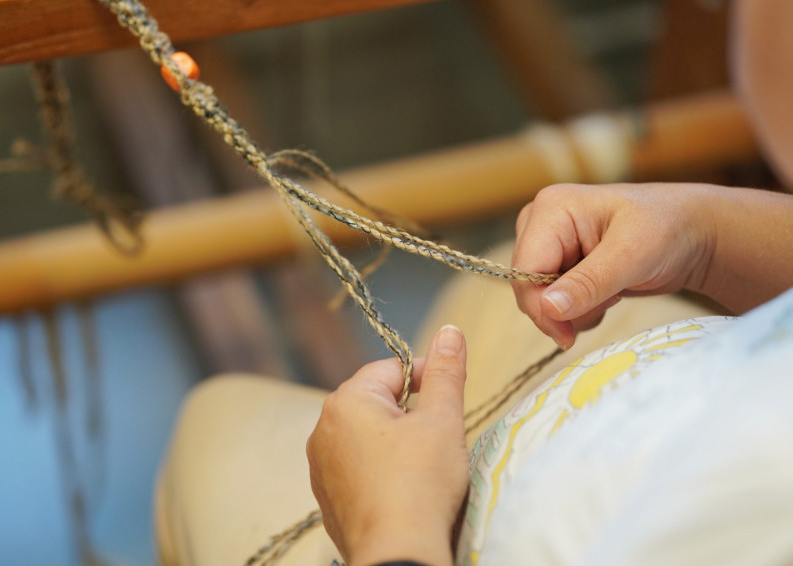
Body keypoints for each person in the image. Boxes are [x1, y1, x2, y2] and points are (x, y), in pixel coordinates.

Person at [155, 1, 793, 565]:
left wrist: (390, 525)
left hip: (426, 532)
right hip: (666, 392)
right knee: (499, 288)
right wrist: (710, 233)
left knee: (215, 426)